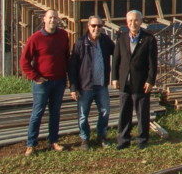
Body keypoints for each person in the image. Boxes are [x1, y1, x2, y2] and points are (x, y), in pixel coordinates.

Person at [19, 9, 71, 155]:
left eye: (55, 18)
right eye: (50, 18)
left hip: (59, 81)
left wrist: (68, 77)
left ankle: (53, 141)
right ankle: (31, 144)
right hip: (42, 83)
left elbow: (66, 56)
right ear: (44, 19)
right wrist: (35, 77)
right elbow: (24, 61)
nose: (52, 20)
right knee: (38, 113)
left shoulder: (63, 35)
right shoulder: (35, 38)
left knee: (55, 113)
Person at [112, 10, 158, 149]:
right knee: (124, 112)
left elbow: (153, 63)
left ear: (141, 21)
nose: (133, 23)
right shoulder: (122, 38)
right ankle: (123, 140)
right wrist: (114, 78)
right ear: (127, 22)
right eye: (130, 20)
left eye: (136, 20)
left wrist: (150, 80)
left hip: (141, 82)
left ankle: (142, 140)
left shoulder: (149, 39)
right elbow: (116, 60)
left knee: (142, 112)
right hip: (125, 82)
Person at [68, 16, 115, 149]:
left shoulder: (105, 41)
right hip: (85, 86)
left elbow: (118, 54)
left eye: (99, 26)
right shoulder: (80, 43)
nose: (96, 28)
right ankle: (85, 139)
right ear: (88, 26)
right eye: (94, 25)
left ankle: (102, 136)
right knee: (83, 115)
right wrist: (73, 87)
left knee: (105, 111)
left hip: (101, 85)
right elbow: (72, 67)